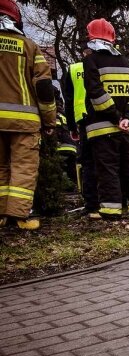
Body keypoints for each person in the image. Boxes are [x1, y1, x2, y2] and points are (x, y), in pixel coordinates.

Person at [82, 18, 129, 220]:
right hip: (128, 129)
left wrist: (116, 117)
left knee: (107, 169)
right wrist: (128, 117)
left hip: (103, 128)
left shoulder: (91, 61)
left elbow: (96, 93)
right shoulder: (128, 63)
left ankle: (111, 211)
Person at [0, 0, 57, 230]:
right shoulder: (29, 47)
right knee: (23, 167)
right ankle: (19, 217)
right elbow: (44, 87)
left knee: (0, 168)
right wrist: (50, 120)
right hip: (24, 121)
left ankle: (2, 214)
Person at [63, 46, 99, 218]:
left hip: (83, 120)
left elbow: (68, 101)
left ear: (84, 54)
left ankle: (92, 204)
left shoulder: (74, 69)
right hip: (105, 118)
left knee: (88, 163)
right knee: (109, 161)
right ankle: (114, 200)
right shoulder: (105, 66)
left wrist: (71, 126)